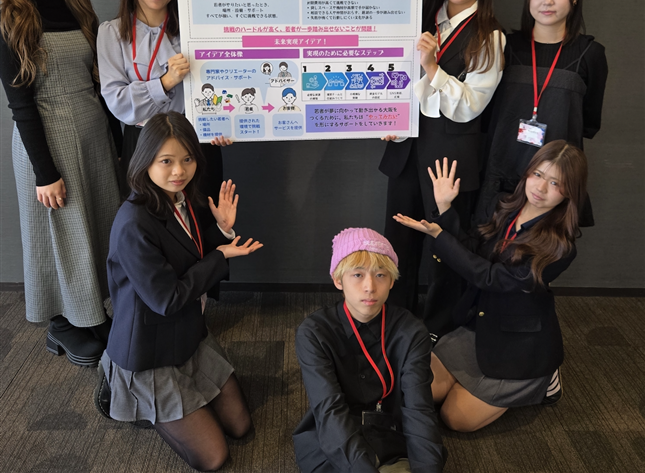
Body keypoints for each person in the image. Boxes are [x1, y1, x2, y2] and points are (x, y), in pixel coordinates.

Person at [95, 111, 262, 471]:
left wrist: (222, 231)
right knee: (214, 458)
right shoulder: (133, 222)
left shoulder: (183, 198)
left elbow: (188, 255)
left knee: (240, 425)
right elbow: (166, 299)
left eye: (187, 159)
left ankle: (182, 402)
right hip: (150, 349)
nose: (179, 171)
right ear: (146, 161)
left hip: (188, 333)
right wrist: (220, 255)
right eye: (166, 161)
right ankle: (134, 399)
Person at [393, 141, 587, 432]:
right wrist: (444, 208)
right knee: (420, 389)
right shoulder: (505, 205)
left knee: (455, 419)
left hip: (517, 347)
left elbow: (490, 277)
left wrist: (440, 236)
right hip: (479, 325)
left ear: (570, 192)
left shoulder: (560, 247)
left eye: (555, 183)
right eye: (537, 174)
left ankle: (545, 379)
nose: (540, 188)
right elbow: (473, 248)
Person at [0, 0, 122, 366]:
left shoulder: (81, 12)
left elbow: (101, 86)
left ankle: (92, 313)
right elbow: (20, 104)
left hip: (92, 135)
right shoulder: (10, 20)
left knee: (98, 223)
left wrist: (116, 146)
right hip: (46, 141)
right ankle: (63, 325)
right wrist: (45, 172)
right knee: (60, 232)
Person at [379, 0, 505, 335]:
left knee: (445, 244)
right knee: (399, 238)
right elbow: (390, 79)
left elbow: (471, 105)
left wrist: (433, 68)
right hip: (406, 149)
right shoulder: (416, 20)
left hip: (450, 153)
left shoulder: (489, 35)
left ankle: (439, 330)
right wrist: (387, 118)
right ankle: (394, 320)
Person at [293, 228, 445, 473]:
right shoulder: (315, 332)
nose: (370, 286)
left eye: (380, 275)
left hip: (391, 432)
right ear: (338, 280)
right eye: (357, 274)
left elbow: (419, 408)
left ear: (391, 281)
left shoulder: (411, 331)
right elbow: (329, 409)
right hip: (334, 436)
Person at [476, 0, 608, 226]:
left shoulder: (590, 54)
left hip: (554, 187)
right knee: (486, 246)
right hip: (500, 177)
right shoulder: (504, 46)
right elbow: (485, 114)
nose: (547, 1)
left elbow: (587, 123)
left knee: (540, 251)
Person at [96, 0, 229, 194]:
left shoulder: (198, 30)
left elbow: (221, 86)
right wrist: (165, 83)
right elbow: (117, 100)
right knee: (148, 216)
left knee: (201, 213)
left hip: (196, 141)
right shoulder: (112, 33)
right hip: (144, 143)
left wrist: (224, 123)